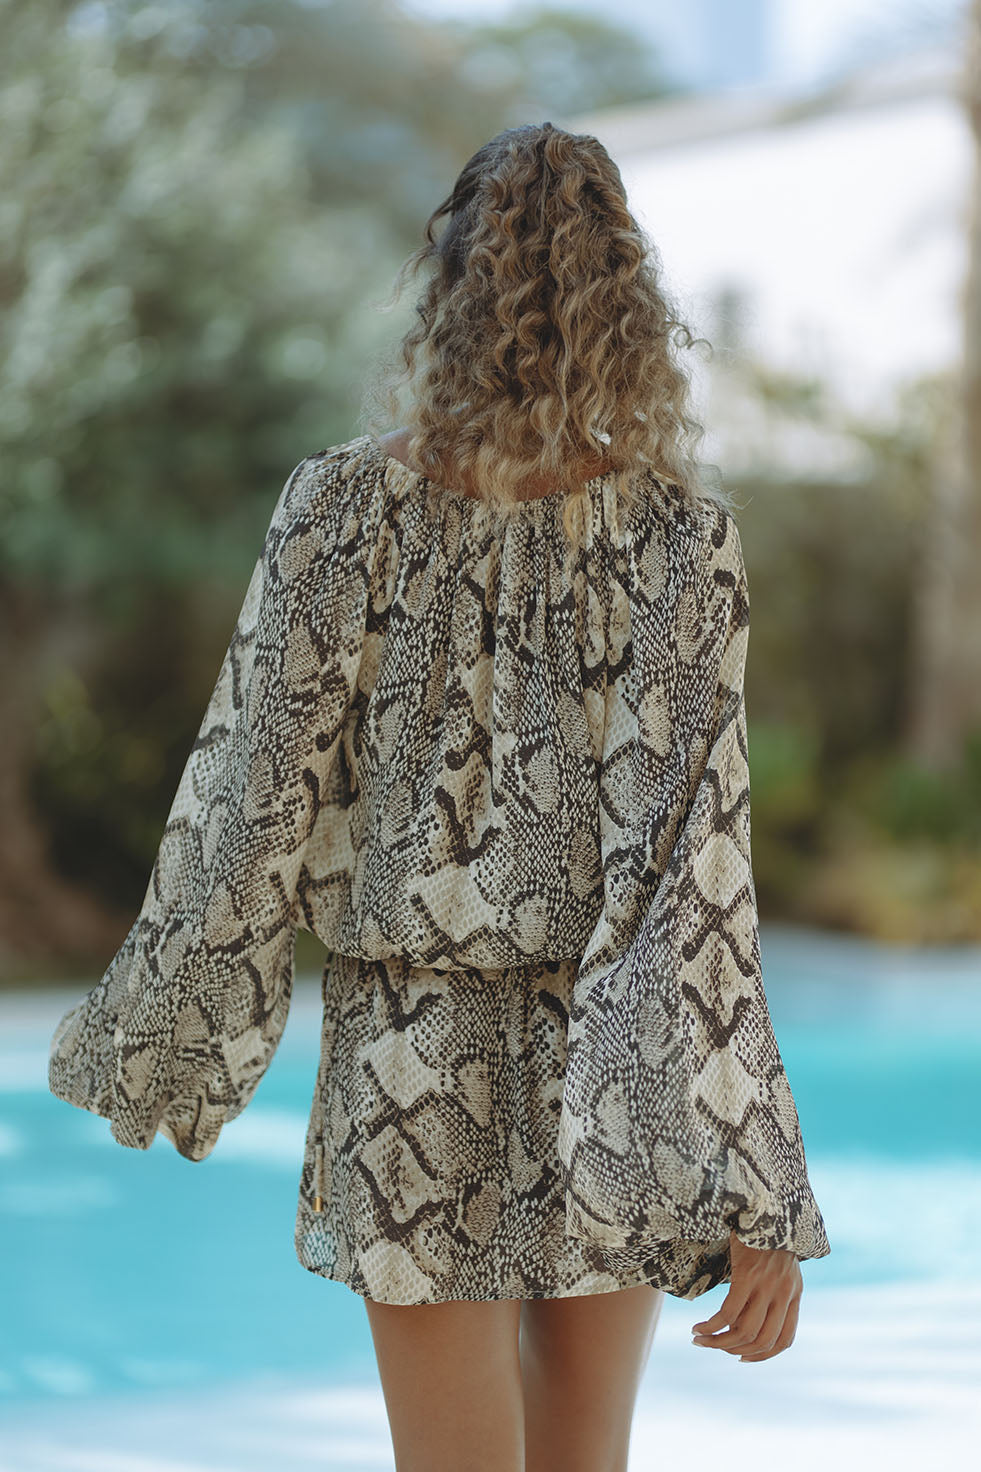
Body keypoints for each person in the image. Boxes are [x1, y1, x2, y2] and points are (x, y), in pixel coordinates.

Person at [48, 122, 830, 1472]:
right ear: (628, 297)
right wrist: (756, 1179)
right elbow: (696, 882)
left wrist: (169, 1039)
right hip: (610, 1052)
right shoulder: (680, 541)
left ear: (449, 284)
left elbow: (249, 803)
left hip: (408, 1048)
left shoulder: (338, 510)